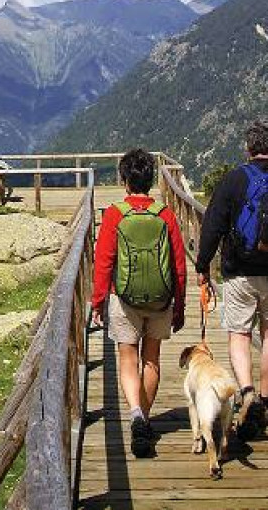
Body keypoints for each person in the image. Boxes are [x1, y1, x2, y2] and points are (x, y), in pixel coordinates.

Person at [195, 120, 268, 440]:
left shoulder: (233, 181)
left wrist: (202, 266)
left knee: (240, 335)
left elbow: (213, 224)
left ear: (248, 148)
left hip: (239, 273)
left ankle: (246, 392)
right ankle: (265, 399)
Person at [91, 148, 187, 458]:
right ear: (151, 180)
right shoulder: (166, 215)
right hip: (161, 299)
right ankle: (143, 420)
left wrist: (98, 302)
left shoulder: (115, 214)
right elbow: (178, 265)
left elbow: (103, 262)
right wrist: (180, 304)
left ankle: (135, 416)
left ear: (123, 179)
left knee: (127, 359)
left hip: (125, 299)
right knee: (152, 360)